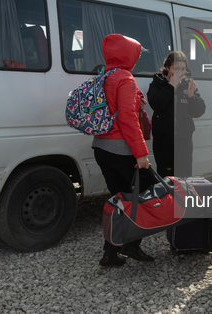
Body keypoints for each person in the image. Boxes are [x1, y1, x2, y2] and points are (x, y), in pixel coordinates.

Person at [92, 34, 154, 268]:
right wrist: (141, 153)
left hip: (101, 147)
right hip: (122, 150)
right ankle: (131, 244)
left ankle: (111, 251)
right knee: (144, 193)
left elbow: (113, 108)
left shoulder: (104, 75)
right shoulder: (126, 78)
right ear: (128, 55)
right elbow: (128, 119)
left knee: (119, 199)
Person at [147, 51, 206, 177]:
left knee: (184, 176)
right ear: (167, 67)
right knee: (166, 176)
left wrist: (191, 97)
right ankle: (168, 197)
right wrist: (171, 86)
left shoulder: (187, 84)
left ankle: (183, 197)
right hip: (163, 139)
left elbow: (199, 111)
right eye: (176, 69)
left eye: (183, 69)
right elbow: (156, 104)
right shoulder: (157, 83)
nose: (180, 72)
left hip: (184, 138)